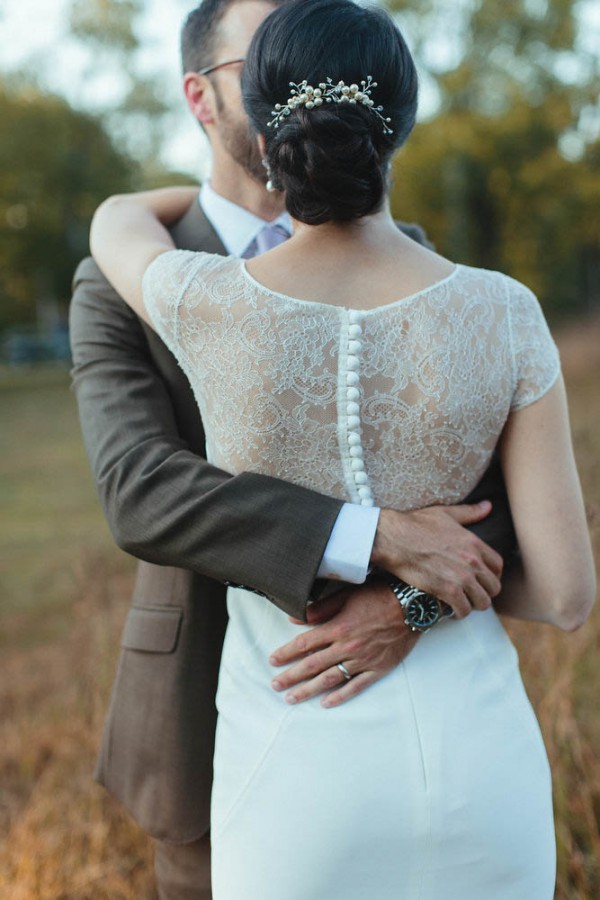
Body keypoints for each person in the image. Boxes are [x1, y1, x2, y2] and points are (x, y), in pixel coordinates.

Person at [72, 0, 564, 896]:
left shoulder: (419, 271)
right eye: (266, 52)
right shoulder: (127, 281)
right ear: (204, 97)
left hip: (398, 718)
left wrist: (409, 611)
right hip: (206, 721)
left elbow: (497, 518)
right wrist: (375, 536)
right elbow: (141, 490)